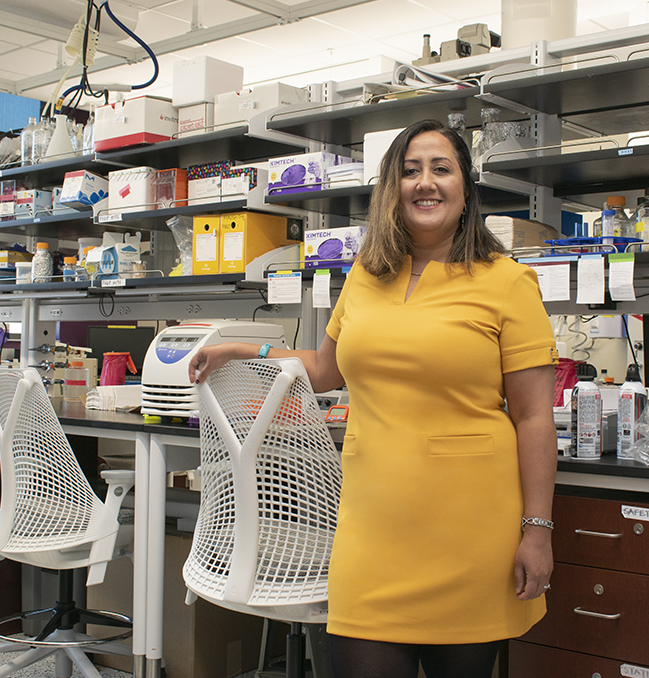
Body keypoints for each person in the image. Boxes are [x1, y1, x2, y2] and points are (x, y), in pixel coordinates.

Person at [188, 119, 558, 678]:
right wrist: (241, 349)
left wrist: (537, 530)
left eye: (441, 169)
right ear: (392, 188)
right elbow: (321, 371)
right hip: (373, 527)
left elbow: (533, 416)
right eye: (410, 171)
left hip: (470, 530)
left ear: (465, 189)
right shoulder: (367, 272)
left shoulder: (506, 281)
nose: (425, 183)